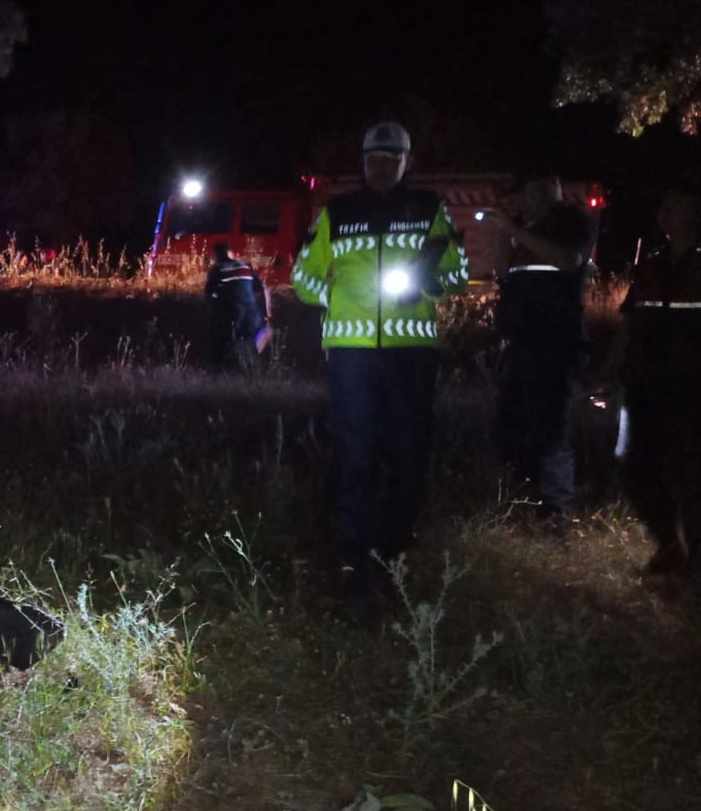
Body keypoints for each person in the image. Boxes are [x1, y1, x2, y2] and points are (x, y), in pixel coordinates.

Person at [290, 120, 471, 617]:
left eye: (392, 161)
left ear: (406, 163)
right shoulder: (339, 211)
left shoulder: (428, 208)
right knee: (356, 456)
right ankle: (353, 563)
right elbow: (303, 278)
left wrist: (428, 280)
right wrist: (341, 297)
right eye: (374, 160)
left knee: (409, 456)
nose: (382, 168)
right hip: (352, 354)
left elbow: (458, 276)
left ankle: (394, 557)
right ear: (363, 163)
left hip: (411, 353)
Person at [594, 183, 701, 582]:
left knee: (698, 473)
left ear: (698, 213)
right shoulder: (651, 261)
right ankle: (669, 547)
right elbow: (630, 323)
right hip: (645, 383)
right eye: (665, 206)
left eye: (677, 206)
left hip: (700, 384)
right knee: (634, 465)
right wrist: (607, 371)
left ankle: (699, 562)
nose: (666, 213)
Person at [478, 172, 594, 533]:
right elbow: (502, 271)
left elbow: (569, 260)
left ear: (552, 188)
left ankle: (557, 512)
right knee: (511, 425)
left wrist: (514, 229)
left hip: (555, 343)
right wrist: (503, 233)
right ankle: (522, 503)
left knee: (550, 428)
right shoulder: (526, 227)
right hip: (522, 343)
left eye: (534, 189)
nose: (528, 198)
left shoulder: (571, 222)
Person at [204, 242, 268, 373]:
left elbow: (209, 294)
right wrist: (266, 313)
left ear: (216, 255)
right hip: (253, 315)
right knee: (250, 343)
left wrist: (213, 309)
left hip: (233, 314)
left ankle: (228, 371)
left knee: (226, 343)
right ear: (229, 253)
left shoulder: (217, 270)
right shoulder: (245, 266)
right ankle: (253, 371)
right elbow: (261, 289)